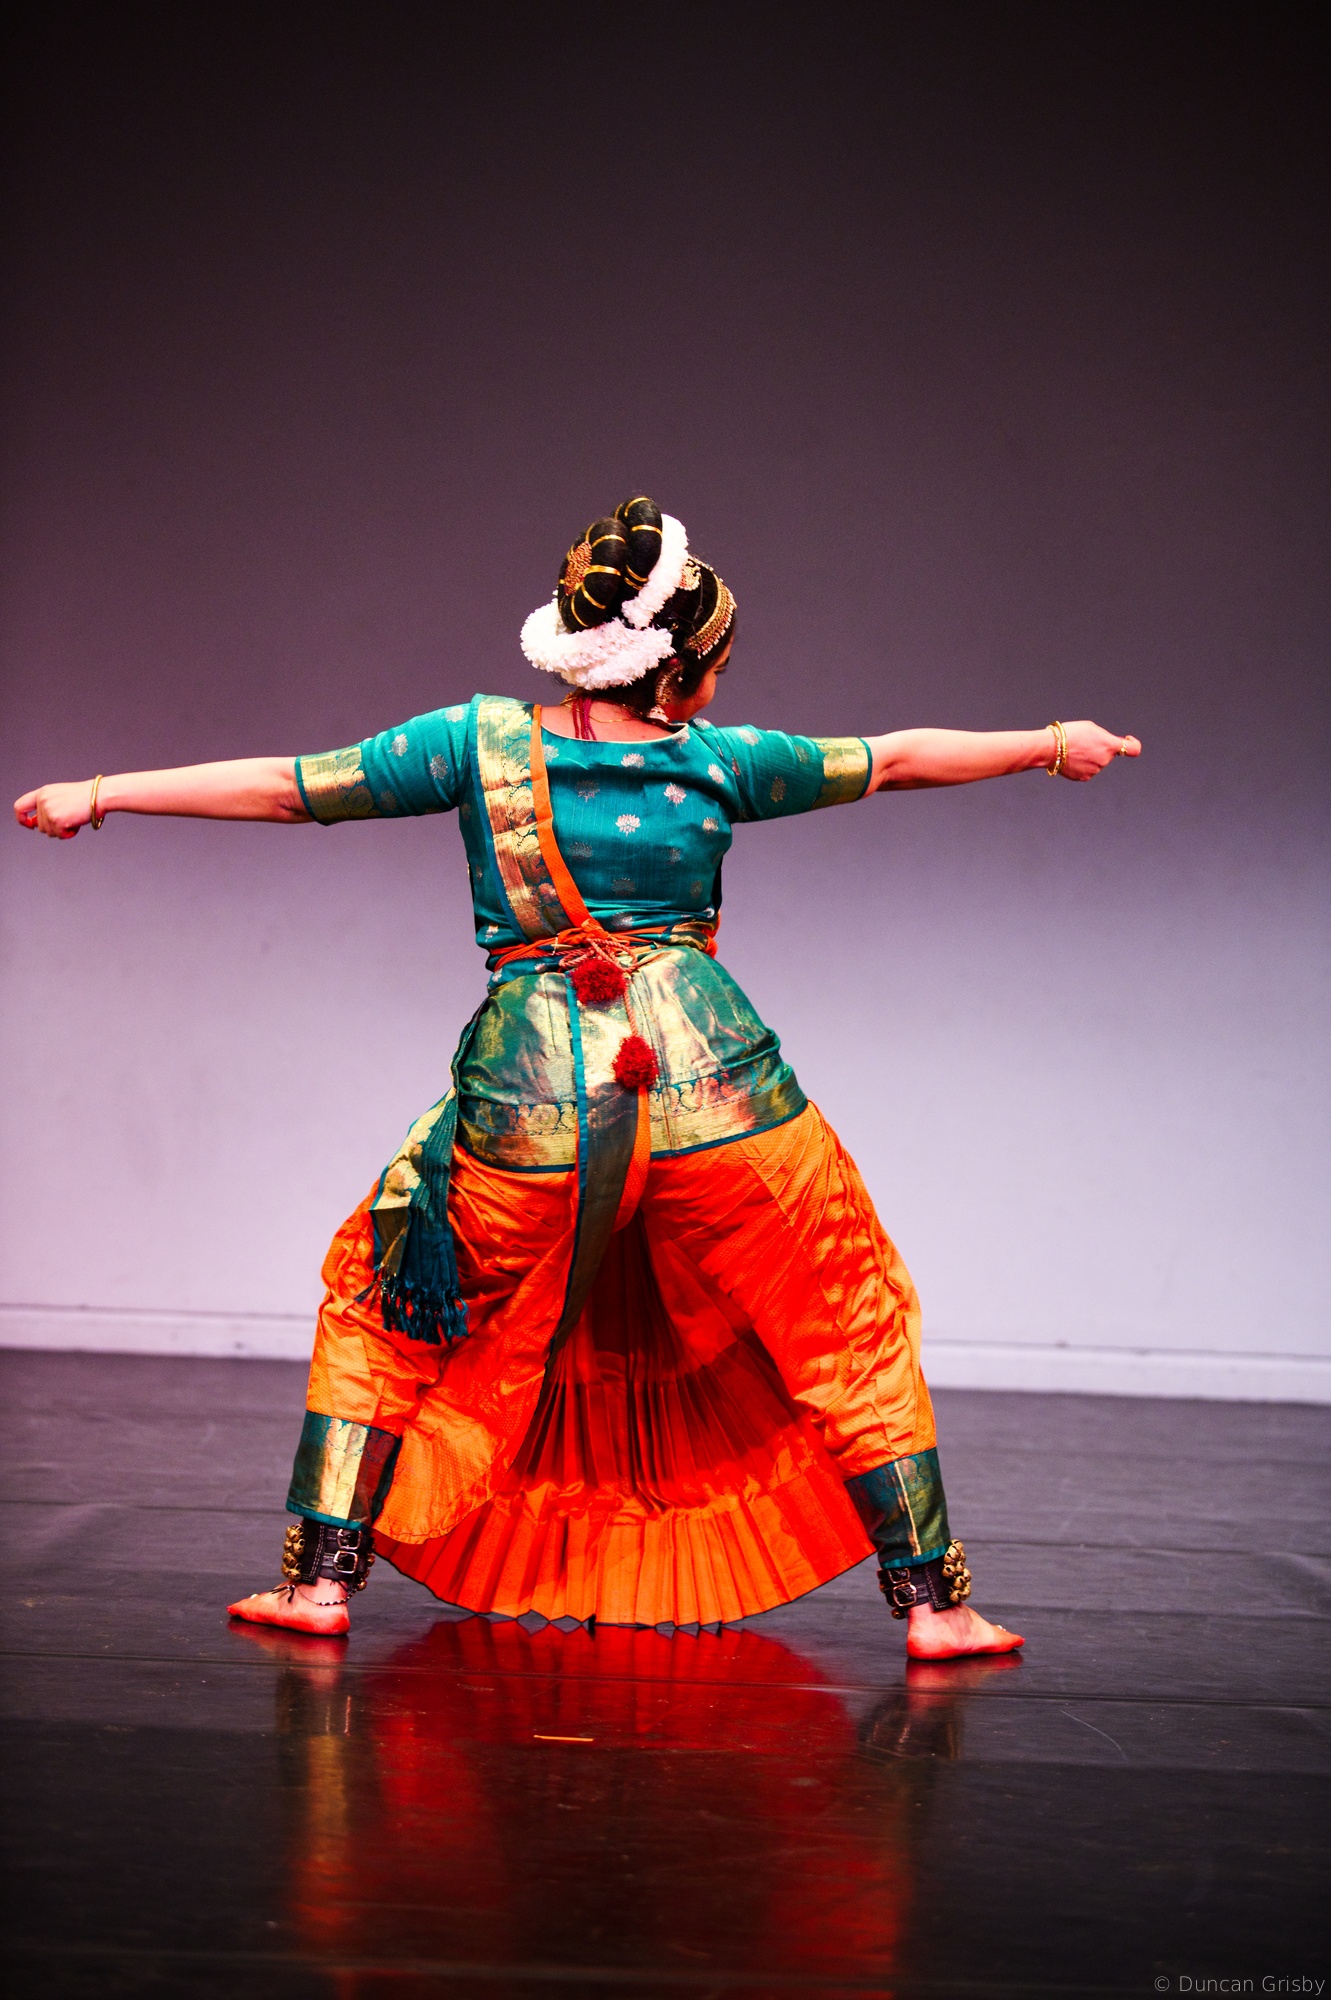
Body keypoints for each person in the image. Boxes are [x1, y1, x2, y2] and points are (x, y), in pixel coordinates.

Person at [15, 496, 1140, 1660]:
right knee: (841, 1319)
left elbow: (295, 785)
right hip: (722, 1097)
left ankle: (316, 1584)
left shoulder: (471, 744)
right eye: (714, 665)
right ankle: (933, 1605)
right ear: (675, 675)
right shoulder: (723, 763)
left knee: (386, 1310)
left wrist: (102, 791)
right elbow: (896, 759)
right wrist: (1051, 740)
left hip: (532, 1105)